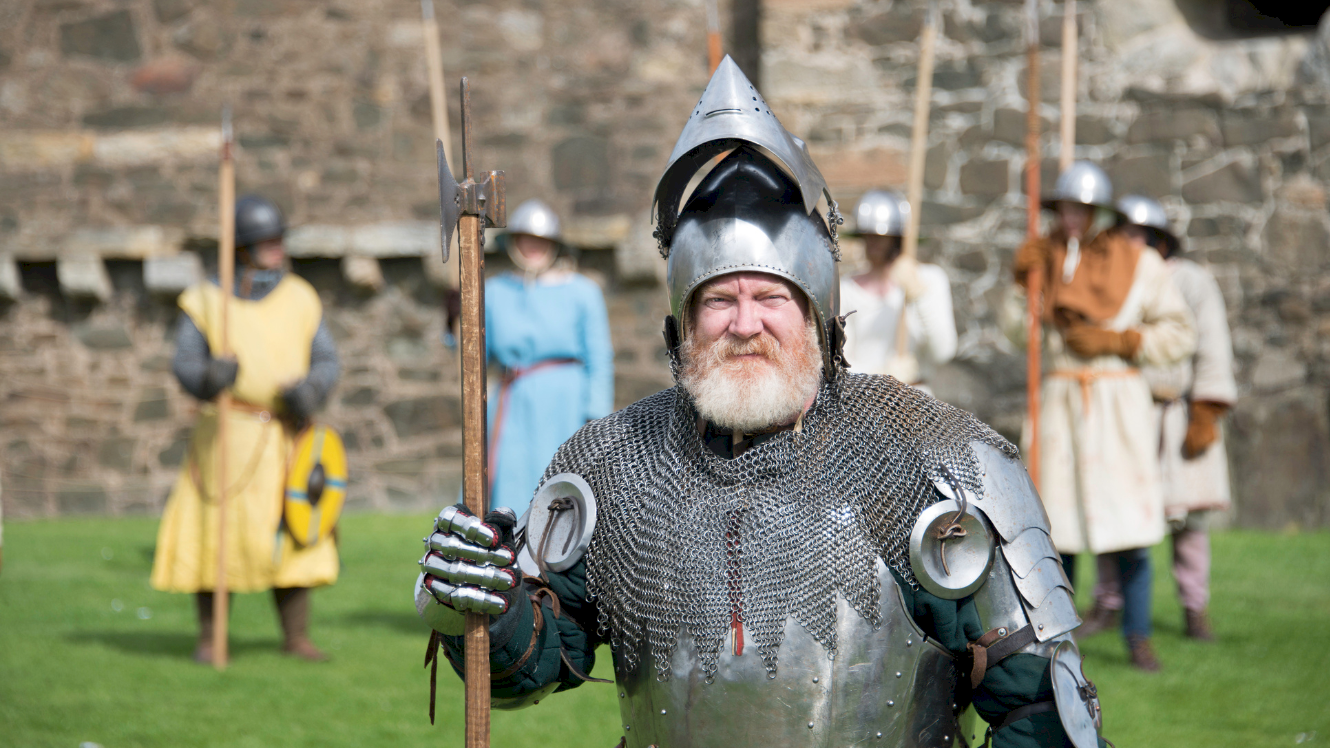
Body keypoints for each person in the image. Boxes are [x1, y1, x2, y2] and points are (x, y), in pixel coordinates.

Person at [413, 57, 1106, 748]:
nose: (745, 324)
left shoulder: (932, 459)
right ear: (681, 324)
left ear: (819, 318)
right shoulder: (613, 464)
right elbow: (529, 667)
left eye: (772, 297)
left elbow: (1039, 709)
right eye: (718, 300)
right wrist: (484, 603)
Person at [1003, 163, 1196, 671]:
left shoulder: (1140, 262)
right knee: (1055, 528)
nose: (1074, 218)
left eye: (1084, 210)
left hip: (1116, 404)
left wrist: (1120, 340)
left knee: (1128, 526)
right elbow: (1018, 337)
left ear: (1100, 213)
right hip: (1062, 401)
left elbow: (1180, 334)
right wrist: (1024, 285)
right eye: (1067, 208)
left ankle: (1138, 635)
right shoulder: (1045, 258)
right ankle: (1053, 633)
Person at [151, 195, 341, 664]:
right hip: (228, 434)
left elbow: (327, 360)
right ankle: (210, 637)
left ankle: (295, 636)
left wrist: (310, 390)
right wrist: (209, 377)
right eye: (265, 242)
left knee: (293, 529)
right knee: (218, 534)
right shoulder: (207, 302)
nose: (276, 249)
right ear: (241, 247)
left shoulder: (300, 296)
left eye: (279, 240)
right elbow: (184, 364)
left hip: (286, 434)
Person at [1082, 195, 1236, 642]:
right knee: (1118, 514)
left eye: (1137, 233)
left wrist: (1206, 410)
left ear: (1156, 238)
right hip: (1123, 411)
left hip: (1178, 412)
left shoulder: (1191, 280)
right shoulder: (1109, 280)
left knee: (1189, 523)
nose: (1129, 241)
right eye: (1122, 232)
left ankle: (1194, 608)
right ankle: (1108, 603)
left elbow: (1212, 344)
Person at [482, 199, 614, 514]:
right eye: (526, 240)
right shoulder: (492, 292)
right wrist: (454, 321)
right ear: (513, 242)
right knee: (510, 498)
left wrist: (594, 418)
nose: (532, 248)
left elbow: (599, 358)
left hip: (565, 407)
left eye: (540, 241)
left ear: (553, 244)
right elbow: (474, 357)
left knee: (563, 495)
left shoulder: (583, 292)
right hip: (512, 406)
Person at [840, 189, 957, 390]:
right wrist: (881, 375)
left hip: (917, 398)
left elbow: (943, 352)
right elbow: (840, 363)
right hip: (868, 401)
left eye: (880, 236)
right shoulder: (846, 289)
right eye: (868, 235)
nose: (872, 242)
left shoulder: (929, 278)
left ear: (897, 238)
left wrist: (920, 296)